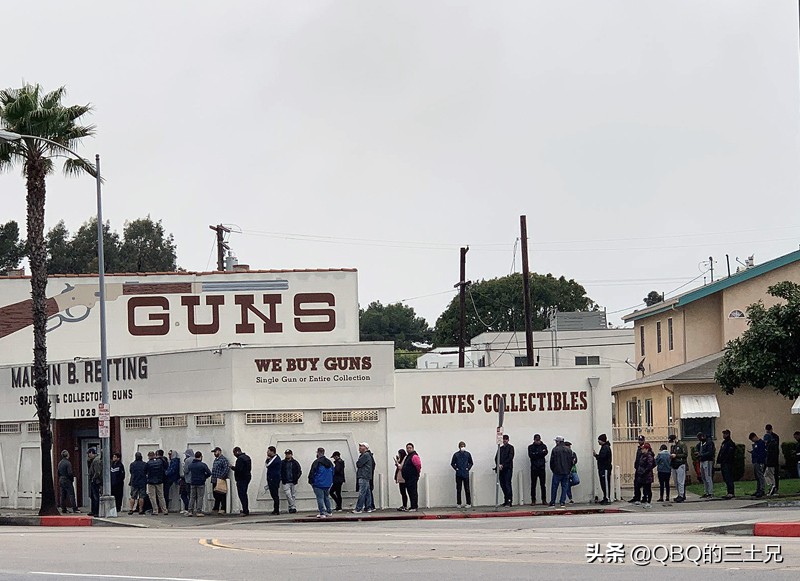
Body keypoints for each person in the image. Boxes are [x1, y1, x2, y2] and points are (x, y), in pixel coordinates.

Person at [309, 447, 335, 518]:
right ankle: (329, 511)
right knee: (326, 497)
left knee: (320, 498)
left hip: (318, 483)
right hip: (327, 483)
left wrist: (311, 481)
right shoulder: (329, 462)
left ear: (318, 452)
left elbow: (312, 473)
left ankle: (322, 513)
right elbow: (333, 472)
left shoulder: (316, 462)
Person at [186, 451, 211, 517]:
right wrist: (204, 477)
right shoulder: (203, 465)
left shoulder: (191, 465)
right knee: (200, 497)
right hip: (201, 482)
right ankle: (198, 511)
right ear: (201, 456)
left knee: (192, 497)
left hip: (193, 482)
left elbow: (187, 471)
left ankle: (190, 511)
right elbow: (209, 473)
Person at [549, 436, 572, 508]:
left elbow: (552, 462)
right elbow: (571, 462)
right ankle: (562, 502)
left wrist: (553, 470)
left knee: (554, 487)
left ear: (558, 442)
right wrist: (568, 470)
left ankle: (553, 502)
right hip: (566, 471)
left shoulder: (555, 449)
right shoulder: (568, 450)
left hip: (557, 471)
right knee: (564, 487)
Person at [353, 442, 375, 513]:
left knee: (362, 492)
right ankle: (368, 507)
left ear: (365, 448)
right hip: (367, 476)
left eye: (361, 447)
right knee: (367, 492)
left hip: (363, 475)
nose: (359, 448)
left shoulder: (365, 455)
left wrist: (358, 461)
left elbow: (358, 464)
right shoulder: (368, 455)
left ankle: (358, 508)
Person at [451, 441, 473, 508]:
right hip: (459, 474)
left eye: (463, 446)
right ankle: (459, 503)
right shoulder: (456, 455)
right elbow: (452, 463)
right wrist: (456, 468)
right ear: (459, 447)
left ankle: (468, 503)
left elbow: (471, 462)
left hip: (465, 474)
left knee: (467, 489)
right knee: (458, 489)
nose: (462, 447)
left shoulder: (468, 454)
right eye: (461, 446)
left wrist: (467, 468)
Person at [527, 434, 548, 505]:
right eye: (536, 440)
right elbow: (531, 455)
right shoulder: (530, 447)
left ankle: (544, 499)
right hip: (534, 468)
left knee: (543, 484)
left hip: (541, 467)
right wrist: (540, 453)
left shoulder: (544, 446)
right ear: (534, 440)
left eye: (538, 440)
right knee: (533, 485)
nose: (537, 441)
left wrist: (536, 454)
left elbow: (545, 453)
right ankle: (533, 500)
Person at [145, 450, 168, 515]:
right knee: (161, 496)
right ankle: (165, 510)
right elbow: (164, 468)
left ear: (149, 456)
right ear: (154, 455)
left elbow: (145, 472)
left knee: (152, 497)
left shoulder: (148, 463)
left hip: (151, 482)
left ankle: (155, 510)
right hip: (160, 481)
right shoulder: (160, 462)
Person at [231, 446, 252, 516]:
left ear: (237, 452)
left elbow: (238, 470)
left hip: (241, 478)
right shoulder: (247, 457)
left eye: (234, 453)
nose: (234, 455)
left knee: (242, 494)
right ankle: (245, 509)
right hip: (247, 477)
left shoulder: (240, 459)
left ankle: (245, 510)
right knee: (244, 494)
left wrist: (232, 467)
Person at [280, 449, 302, 514]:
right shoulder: (282, 463)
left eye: (288, 454)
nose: (287, 455)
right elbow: (280, 471)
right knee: (288, 494)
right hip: (285, 481)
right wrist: (282, 478)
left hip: (293, 481)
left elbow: (299, 471)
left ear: (291, 454)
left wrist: (296, 478)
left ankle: (291, 508)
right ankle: (293, 506)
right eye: (286, 454)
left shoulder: (295, 462)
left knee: (293, 495)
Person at [401, 442, 422, 512]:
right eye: (407, 448)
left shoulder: (414, 456)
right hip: (408, 477)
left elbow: (418, 465)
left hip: (412, 477)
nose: (408, 449)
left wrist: (417, 473)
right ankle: (412, 505)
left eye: (410, 448)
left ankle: (414, 506)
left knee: (413, 492)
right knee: (410, 492)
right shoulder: (408, 456)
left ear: (413, 448)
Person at [717, 429, 736, 499]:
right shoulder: (724, 443)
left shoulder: (730, 443)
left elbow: (730, 454)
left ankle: (731, 492)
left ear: (728, 434)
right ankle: (728, 492)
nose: (723, 435)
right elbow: (721, 452)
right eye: (723, 434)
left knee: (729, 477)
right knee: (725, 478)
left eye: (725, 434)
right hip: (723, 463)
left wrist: (725, 460)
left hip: (728, 463)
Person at [496, 434, 515, 507]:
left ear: (508, 440)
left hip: (508, 469)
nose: (504, 441)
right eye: (504, 439)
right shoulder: (500, 448)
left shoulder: (511, 448)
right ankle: (505, 500)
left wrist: (503, 464)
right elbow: (496, 457)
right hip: (501, 469)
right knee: (502, 485)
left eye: (506, 439)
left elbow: (510, 457)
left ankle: (509, 501)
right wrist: (498, 464)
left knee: (507, 484)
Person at [593, 434, 612, 504]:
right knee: (603, 483)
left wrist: (596, 456)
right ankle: (605, 497)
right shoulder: (604, 447)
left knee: (605, 483)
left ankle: (607, 498)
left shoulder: (605, 448)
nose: (598, 442)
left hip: (605, 469)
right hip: (602, 468)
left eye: (599, 440)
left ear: (602, 440)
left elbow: (602, 458)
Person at [668, 434, 688, 503]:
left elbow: (685, 454)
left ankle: (681, 495)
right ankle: (679, 494)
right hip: (674, 464)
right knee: (676, 482)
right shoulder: (673, 446)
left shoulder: (682, 444)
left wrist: (676, 455)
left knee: (680, 481)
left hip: (680, 464)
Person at [696, 432, 715, 499]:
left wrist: (701, 455)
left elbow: (710, 453)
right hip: (702, 460)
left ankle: (710, 492)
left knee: (708, 476)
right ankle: (706, 492)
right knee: (703, 477)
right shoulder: (700, 444)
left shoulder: (709, 443)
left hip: (708, 460)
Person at [211, 447, 230, 515]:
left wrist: (221, 477)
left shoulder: (223, 460)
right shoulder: (216, 460)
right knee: (215, 495)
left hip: (220, 480)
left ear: (219, 451)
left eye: (215, 452)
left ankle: (223, 508)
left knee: (221, 494)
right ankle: (216, 507)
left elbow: (226, 468)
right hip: (214, 480)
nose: (214, 453)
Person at [636, 443, 655, 508]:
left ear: (647, 449)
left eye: (643, 449)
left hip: (647, 475)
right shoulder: (643, 455)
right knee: (639, 486)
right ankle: (640, 499)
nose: (642, 450)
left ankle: (648, 502)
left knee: (648, 489)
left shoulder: (649, 456)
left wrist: (644, 472)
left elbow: (650, 465)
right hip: (642, 475)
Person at [747, 432, 766, 498]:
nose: (752, 441)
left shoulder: (761, 443)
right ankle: (758, 489)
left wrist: (759, 460)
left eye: (752, 439)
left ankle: (762, 489)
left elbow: (762, 453)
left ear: (755, 437)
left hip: (759, 461)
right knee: (757, 476)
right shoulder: (755, 444)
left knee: (760, 476)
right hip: (755, 461)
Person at [265, 446, 282, 515]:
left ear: (272, 451)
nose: (267, 452)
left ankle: (276, 510)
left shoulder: (276, 459)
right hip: (271, 479)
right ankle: (275, 509)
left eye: (268, 451)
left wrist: (267, 460)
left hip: (274, 479)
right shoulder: (272, 459)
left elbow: (268, 465)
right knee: (273, 494)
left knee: (275, 494)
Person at [629, 435, 645, 503]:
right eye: (639, 440)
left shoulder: (645, 448)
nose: (639, 441)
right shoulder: (639, 448)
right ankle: (636, 497)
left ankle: (644, 498)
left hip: (643, 470)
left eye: (641, 440)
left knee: (644, 484)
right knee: (636, 484)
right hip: (638, 469)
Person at [764, 425, 780, 496]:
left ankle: (774, 487)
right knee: (768, 474)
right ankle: (772, 486)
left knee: (772, 474)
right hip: (770, 461)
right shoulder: (769, 440)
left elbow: (773, 452)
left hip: (772, 461)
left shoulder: (775, 438)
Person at [87, 448, 102, 517]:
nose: (88, 456)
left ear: (91, 453)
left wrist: (93, 479)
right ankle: (93, 510)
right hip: (94, 480)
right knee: (93, 496)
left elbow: (97, 472)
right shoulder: (94, 460)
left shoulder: (96, 461)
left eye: (89, 454)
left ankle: (96, 511)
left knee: (95, 496)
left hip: (96, 481)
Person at [180, 448, 193, 514]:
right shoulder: (195, 459)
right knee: (193, 495)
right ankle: (192, 509)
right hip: (194, 480)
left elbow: (186, 470)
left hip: (187, 480)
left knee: (186, 494)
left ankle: (188, 508)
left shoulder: (187, 460)